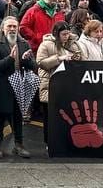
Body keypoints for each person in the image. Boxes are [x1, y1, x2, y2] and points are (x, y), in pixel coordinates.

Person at [0, 15, 34, 159]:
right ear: (3, 28)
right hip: (3, 86)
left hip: (19, 85)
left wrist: (27, 60)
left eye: (15, 26)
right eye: (9, 26)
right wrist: (10, 58)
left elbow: (33, 66)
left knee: (18, 117)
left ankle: (19, 145)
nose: (12, 29)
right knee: (0, 117)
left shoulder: (24, 43)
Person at [37, 22, 79, 151]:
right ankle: (49, 142)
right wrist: (59, 58)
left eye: (67, 33)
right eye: (63, 34)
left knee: (66, 115)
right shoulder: (46, 44)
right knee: (50, 117)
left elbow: (82, 57)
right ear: (56, 34)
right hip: (50, 83)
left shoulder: (73, 43)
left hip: (68, 84)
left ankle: (64, 141)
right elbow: (40, 62)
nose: (66, 36)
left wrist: (76, 57)